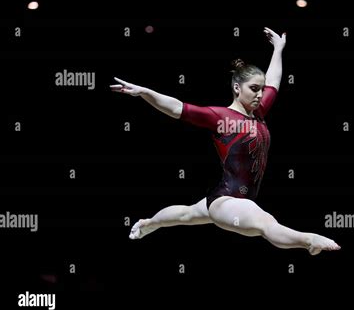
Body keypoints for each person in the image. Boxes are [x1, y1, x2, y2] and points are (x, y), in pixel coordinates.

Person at [110, 27, 340, 255]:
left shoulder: (259, 112)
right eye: (254, 89)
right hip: (227, 200)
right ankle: (310, 240)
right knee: (266, 223)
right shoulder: (220, 116)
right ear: (237, 88)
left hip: (226, 198)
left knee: (185, 214)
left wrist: (278, 49)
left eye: (261, 90)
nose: (260, 95)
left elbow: (274, 81)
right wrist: (144, 92)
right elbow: (176, 107)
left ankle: (148, 223)